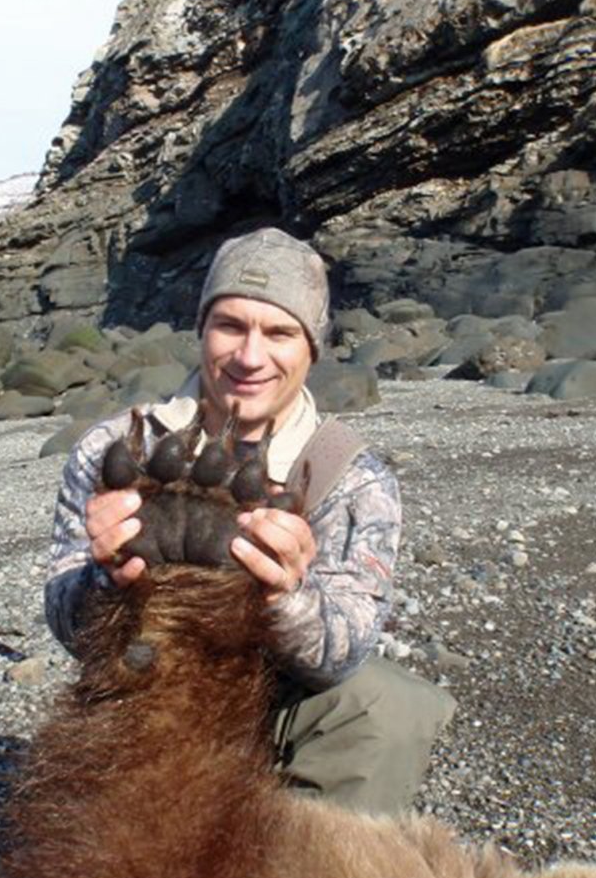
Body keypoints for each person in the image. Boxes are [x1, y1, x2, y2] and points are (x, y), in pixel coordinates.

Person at [44, 227, 455, 815]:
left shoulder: (349, 476)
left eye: (280, 333)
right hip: (146, 673)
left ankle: (311, 859)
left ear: (312, 348)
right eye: (230, 326)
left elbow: (345, 650)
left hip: (275, 695)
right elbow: (66, 622)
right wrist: (107, 578)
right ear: (201, 330)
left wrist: (283, 594)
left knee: (385, 705)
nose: (250, 357)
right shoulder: (118, 449)